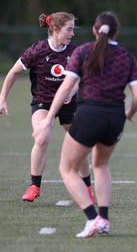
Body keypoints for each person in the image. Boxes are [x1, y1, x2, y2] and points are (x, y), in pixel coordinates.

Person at [33, 11, 137, 238]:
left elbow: (66, 88)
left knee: (67, 168)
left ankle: (93, 219)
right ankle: (103, 219)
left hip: (89, 114)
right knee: (101, 165)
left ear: (95, 30)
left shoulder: (82, 51)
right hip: (115, 118)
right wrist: (129, 113)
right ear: (117, 32)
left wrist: (47, 118)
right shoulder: (127, 56)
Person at [0, 12, 95, 203]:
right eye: (69, 29)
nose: (72, 34)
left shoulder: (75, 51)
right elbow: (13, 73)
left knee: (79, 144)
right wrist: (2, 98)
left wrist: (71, 91)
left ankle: (87, 188)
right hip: (43, 101)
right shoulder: (37, 50)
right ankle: (34, 186)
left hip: (69, 103)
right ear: (55, 29)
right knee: (42, 137)